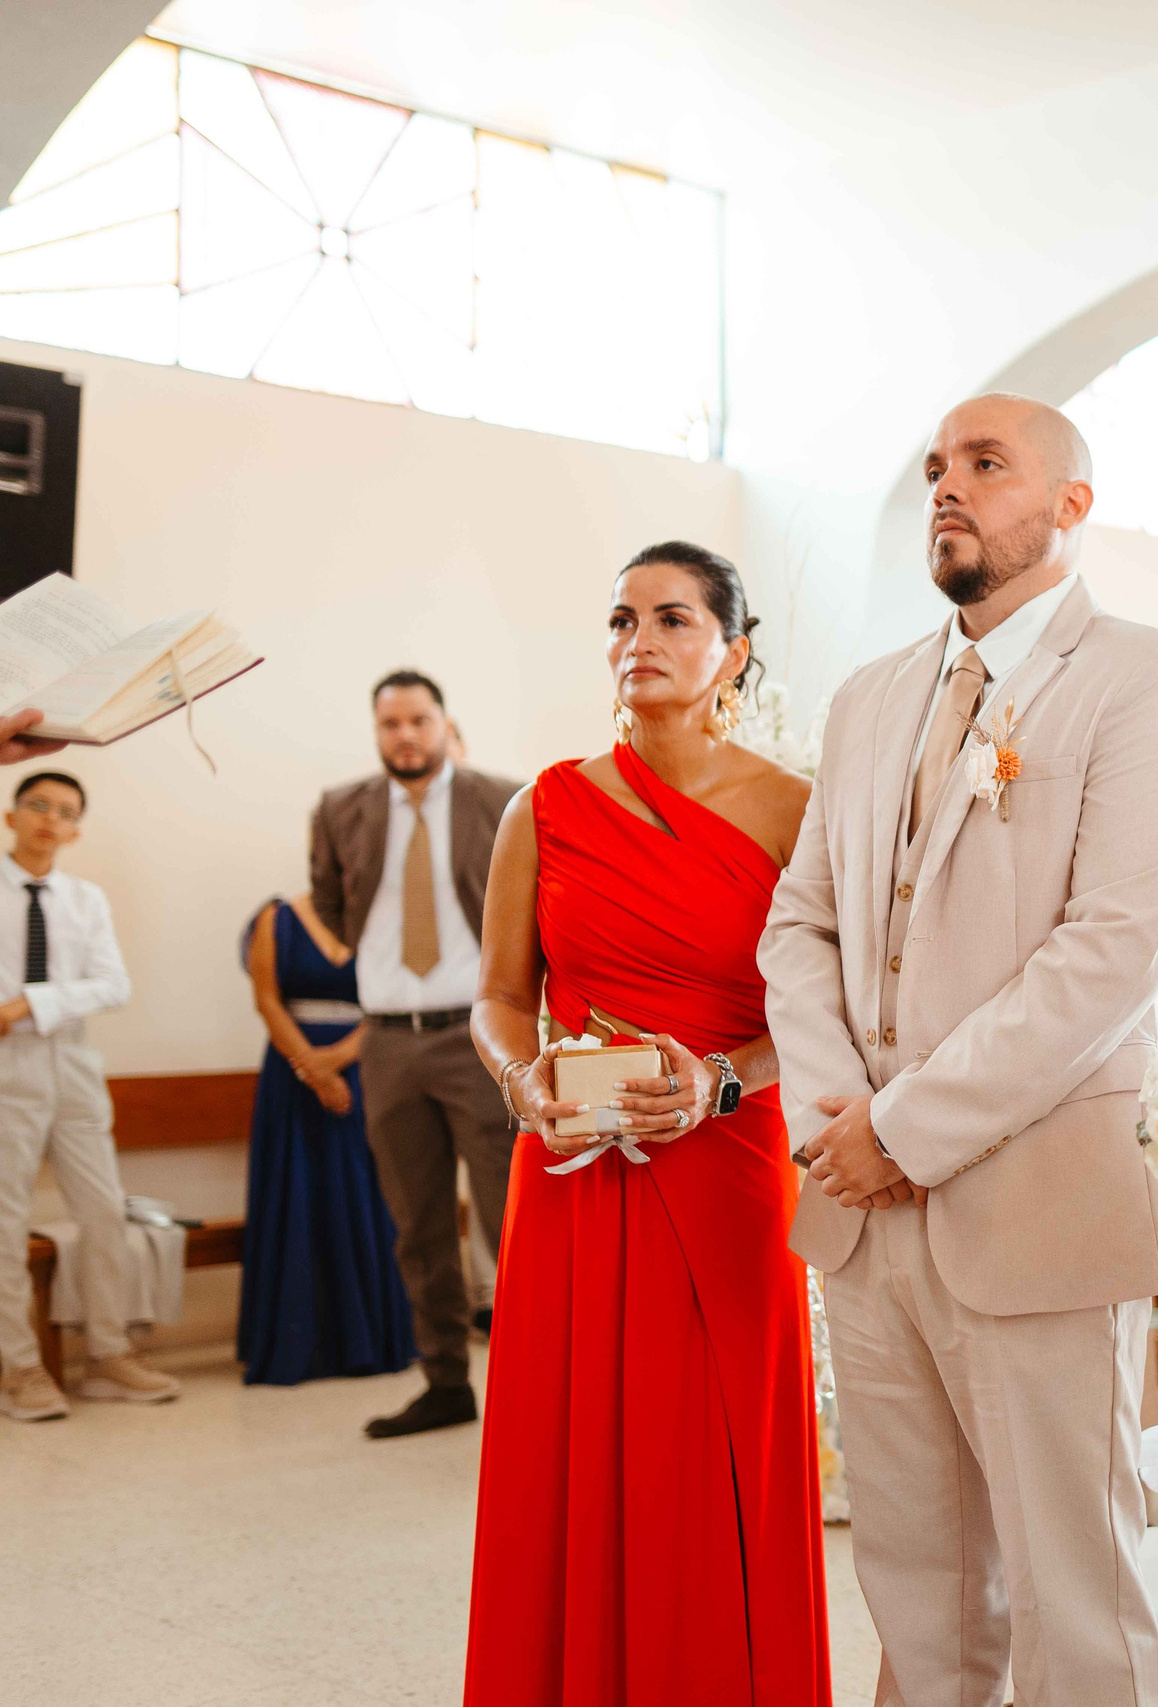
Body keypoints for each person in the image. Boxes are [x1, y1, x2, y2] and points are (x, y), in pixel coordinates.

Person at [764, 393, 1158, 1707]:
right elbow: (801, 922)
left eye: (986, 463)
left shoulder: (1145, 674)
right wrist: (840, 1109)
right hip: (863, 1209)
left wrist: (905, 1127)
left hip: (1042, 1199)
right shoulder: (872, 696)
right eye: (936, 469)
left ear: (1073, 502)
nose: (947, 486)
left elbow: (1115, 948)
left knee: (1075, 1597)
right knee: (919, 1590)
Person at [464, 542, 829, 1705]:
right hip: (570, 1171)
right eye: (622, 620)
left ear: (735, 650)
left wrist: (721, 1081)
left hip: (724, 1164)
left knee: (709, 1451)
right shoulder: (547, 804)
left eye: (673, 619)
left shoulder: (793, 814)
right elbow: (499, 995)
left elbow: (828, 1020)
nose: (641, 641)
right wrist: (522, 1085)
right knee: (569, 1452)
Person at [310, 670, 521, 1438]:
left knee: (512, 1220)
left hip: (480, 1038)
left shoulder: (505, 798)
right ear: (375, 728)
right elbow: (332, 904)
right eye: (390, 723)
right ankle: (444, 1382)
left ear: (443, 722)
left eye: (419, 721)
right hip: (389, 1041)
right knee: (417, 1223)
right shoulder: (342, 809)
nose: (405, 735)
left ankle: (536, 1386)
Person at [0, 772, 178, 1419]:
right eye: (38, 804)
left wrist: (27, 1002)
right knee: (5, 1221)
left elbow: (113, 984)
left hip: (71, 1061)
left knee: (103, 1210)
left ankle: (107, 1353)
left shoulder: (85, 899)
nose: (50, 817)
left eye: (65, 811)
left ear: (76, 829)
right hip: (5, 1070)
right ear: (10, 815)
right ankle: (19, 1369)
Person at [236, 894, 413, 1385]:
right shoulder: (276, 918)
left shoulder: (382, 916)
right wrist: (311, 1069)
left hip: (364, 1068)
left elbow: (392, 1001)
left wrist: (333, 1061)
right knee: (298, 1194)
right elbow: (267, 1001)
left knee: (363, 1192)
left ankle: (368, 1339)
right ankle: (295, 1344)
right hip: (291, 1077)